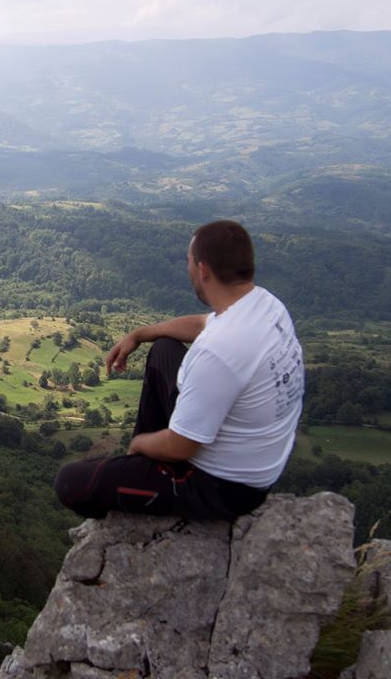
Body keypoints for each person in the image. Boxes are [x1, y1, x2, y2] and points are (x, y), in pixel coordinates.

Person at [54, 220, 304, 521]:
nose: (188, 270)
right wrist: (139, 335)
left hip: (222, 486)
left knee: (70, 483)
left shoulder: (218, 351)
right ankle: (142, 467)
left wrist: (139, 444)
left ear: (202, 269)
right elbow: (202, 323)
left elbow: (181, 446)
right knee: (163, 349)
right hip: (253, 459)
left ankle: (135, 503)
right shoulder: (265, 305)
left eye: (188, 261)